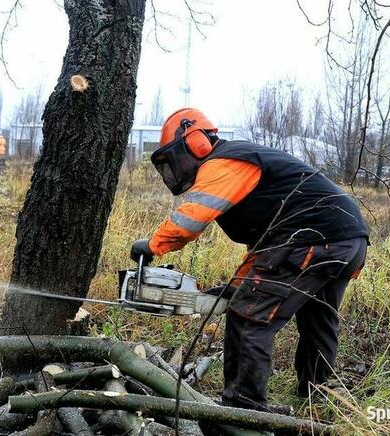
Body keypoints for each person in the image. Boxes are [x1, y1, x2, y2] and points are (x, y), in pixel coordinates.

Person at [130, 108, 369, 411]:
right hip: (347, 240)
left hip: (311, 240)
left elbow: (191, 218)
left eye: (175, 158)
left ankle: (244, 409)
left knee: (248, 317)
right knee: (317, 317)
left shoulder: (223, 162)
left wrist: (152, 245)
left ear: (196, 142)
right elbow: (267, 249)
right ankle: (317, 392)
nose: (176, 167)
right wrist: (237, 286)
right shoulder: (243, 161)